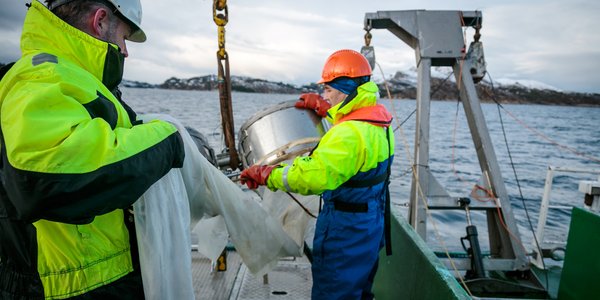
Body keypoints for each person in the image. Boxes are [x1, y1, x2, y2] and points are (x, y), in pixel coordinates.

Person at [0, 0, 185, 298]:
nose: (125, 52)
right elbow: (44, 176)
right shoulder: (42, 75)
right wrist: (169, 139)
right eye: (124, 38)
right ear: (100, 22)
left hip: (91, 278)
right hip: (72, 287)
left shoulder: (74, 77)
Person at [240, 49, 395, 299]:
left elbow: (314, 176)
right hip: (371, 223)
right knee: (360, 291)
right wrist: (327, 110)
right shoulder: (379, 121)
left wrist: (269, 175)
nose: (325, 95)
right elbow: (355, 140)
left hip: (345, 228)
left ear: (346, 89)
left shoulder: (346, 135)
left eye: (329, 91)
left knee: (333, 293)